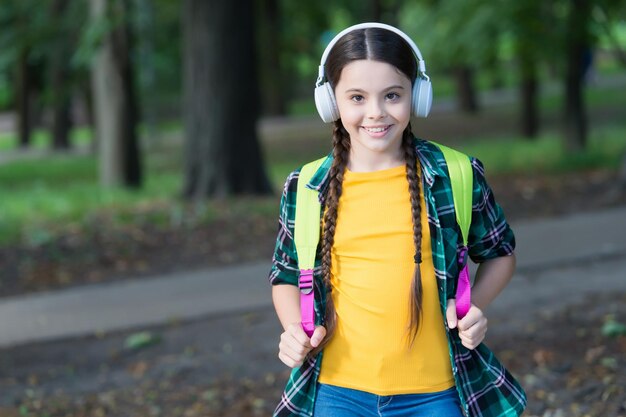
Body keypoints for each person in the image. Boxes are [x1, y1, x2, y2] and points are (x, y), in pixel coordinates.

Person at [268, 22, 526, 417]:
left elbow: (500, 253)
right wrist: (293, 331)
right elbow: (286, 275)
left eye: (392, 95)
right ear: (331, 101)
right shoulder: (306, 187)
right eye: (357, 97)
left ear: (417, 95)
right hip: (336, 393)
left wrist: (469, 306)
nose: (376, 113)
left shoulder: (456, 173)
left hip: (436, 393)